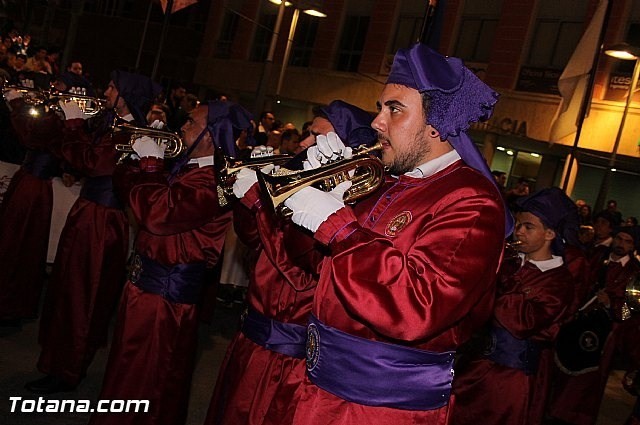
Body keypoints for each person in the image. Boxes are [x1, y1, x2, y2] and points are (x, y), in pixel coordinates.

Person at [275, 43, 510, 424]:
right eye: (381, 107)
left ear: (437, 121)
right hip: (318, 388)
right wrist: (314, 206)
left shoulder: (472, 200)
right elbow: (308, 266)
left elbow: (418, 307)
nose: (376, 122)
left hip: (379, 410)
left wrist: (339, 226)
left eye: (394, 109)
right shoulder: (384, 183)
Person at [204, 99, 378, 425]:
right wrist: (246, 198)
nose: (304, 144)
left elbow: (298, 274)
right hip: (251, 336)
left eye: (318, 138)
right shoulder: (298, 179)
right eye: (310, 135)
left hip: (287, 358)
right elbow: (253, 240)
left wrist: (258, 203)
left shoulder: (346, 205)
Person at [88, 100, 250, 425]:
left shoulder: (214, 182)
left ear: (210, 135)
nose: (183, 127)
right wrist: (134, 161)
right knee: (126, 374)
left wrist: (151, 164)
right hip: (144, 290)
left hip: (166, 302)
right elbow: (129, 193)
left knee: (149, 383)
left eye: (191, 122)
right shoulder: (185, 167)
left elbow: (159, 215)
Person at [25, 70, 162, 394]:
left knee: (83, 296)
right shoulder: (109, 121)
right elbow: (66, 151)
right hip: (89, 214)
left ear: (126, 94)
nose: (107, 90)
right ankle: (56, 362)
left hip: (102, 222)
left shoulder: (131, 132)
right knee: (65, 289)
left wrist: (74, 125)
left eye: (113, 86)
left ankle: (67, 369)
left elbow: (91, 162)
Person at [452, 187, 577, 425]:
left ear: (550, 234)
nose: (518, 232)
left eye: (528, 227)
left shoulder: (559, 280)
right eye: (518, 225)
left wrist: (495, 279)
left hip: (511, 378)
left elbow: (522, 322)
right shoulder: (511, 261)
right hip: (475, 368)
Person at [548, 226, 640, 425]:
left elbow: (630, 311)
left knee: (587, 384)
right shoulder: (596, 257)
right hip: (577, 324)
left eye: (628, 241)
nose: (621, 244)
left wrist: (611, 304)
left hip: (606, 335)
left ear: (633, 246)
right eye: (619, 238)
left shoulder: (635, 273)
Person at [0, 87, 63, 325]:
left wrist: (17, 105)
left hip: (33, 188)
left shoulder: (61, 119)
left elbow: (31, 136)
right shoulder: (55, 114)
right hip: (28, 182)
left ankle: (9, 302)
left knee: (17, 243)